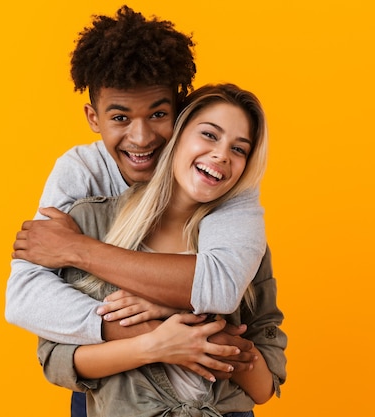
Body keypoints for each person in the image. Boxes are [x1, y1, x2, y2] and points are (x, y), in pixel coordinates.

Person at [5, 6, 267, 416]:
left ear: (181, 112)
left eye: (158, 115)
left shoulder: (223, 178)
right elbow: (23, 299)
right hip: (113, 387)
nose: (141, 138)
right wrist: (155, 340)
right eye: (120, 117)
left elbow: (219, 287)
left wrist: (77, 250)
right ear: (94, 117)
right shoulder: (82, 174)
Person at [38, 83, 286, 416]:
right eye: (210, 135)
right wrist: (154, 346)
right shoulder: (92, 222)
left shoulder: (242, 248)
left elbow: (263, 387)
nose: (222, 155)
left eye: (239, 149)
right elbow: (57, 361)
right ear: (177, 135)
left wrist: (171, 313)